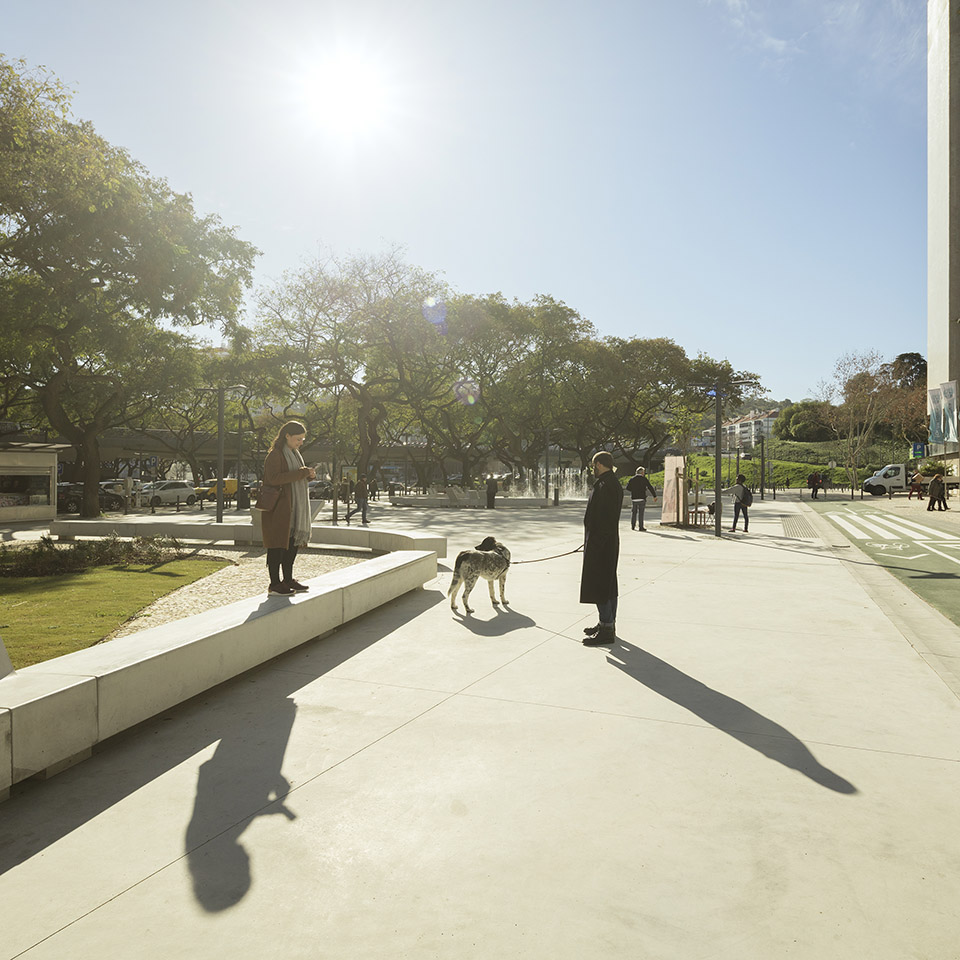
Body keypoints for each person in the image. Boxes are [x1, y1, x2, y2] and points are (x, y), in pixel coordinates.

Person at [261, 421, 316, 596]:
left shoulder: (294, 454)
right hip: (279, 508)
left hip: (293, 507)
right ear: (287, 436)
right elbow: (274, 478)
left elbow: (295, 478)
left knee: (291, 545)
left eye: (302, 439)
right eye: (298, 439)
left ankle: (288, 579)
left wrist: (308, 476)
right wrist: (302, 473)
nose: (300, 442)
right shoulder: (275, 455)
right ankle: (274, 584)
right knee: (277, 546)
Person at [581, 451, 624, 646]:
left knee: (601, 584)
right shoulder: (609, 482)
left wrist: (595, 543)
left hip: (601, 543)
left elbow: (605, 519)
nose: (593, 469)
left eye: (593, 466)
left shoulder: (606, 485)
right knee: (608, 584)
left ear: (598, 464)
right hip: (605, 541)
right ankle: (607, 623)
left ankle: (607, 628)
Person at [625, 466, 657, 531]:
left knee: (634, 512)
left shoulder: (632, 479)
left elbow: (627, 488)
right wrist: (654, 496)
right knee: (641, 513)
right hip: (642, 498)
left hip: (634, 498)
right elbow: (650, 487)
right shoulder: (644, 479)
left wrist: (633, 490)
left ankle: (633, 526)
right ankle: (641, 527)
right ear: (642, 472)